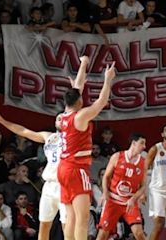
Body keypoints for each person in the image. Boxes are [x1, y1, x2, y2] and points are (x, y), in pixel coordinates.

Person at [57, 56, 116, 240]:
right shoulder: (80, 117)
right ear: (79, 102)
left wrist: (83, 63)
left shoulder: (64, 115)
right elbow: (101, 101)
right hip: (77, 169)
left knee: (71, 218)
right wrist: (108, 80)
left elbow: (78, 87)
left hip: (63, 168)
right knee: (83, 218)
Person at [0, 105, 64, 240]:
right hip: (49, 184)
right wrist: (3, 121)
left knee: (67, 225)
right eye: (58, 118)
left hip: (64, 184)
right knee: (44, 224)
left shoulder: (73, 137)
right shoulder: (49, 136)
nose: (60, 120)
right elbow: (24, 131)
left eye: (63, 118)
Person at [96, 133, 147, 240]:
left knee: (139, 234)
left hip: (130, 202)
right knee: (102, 235)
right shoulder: (117, 156)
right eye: (142, 143)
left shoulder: (143, 162)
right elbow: (106, 177)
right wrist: (105, 193)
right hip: (113, 201)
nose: (144, 146)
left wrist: (134, 198)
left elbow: (143, 186)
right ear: (133, 143)